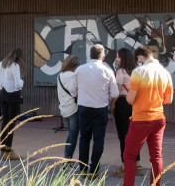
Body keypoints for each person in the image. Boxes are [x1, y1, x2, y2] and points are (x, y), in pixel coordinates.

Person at [122, 46, 173, 186]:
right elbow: (168, 100)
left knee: (129, 156)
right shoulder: (165, 73)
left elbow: (130, 100)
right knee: (156, 157)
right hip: (158, 119)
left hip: (140, 119)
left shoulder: (138, 72)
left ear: (139, 57)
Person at [69, 44, 119, 178]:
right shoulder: (108, 71)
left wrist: (81, 94)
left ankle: (83, 169)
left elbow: (71, 89)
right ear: (103, 57)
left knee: (84, 138)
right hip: (100, 109)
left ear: (89, 55)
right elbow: (115, 93)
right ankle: (94, 170)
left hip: (84, 107)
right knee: (99, 140)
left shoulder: (80, 69)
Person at [111, 48, 142, 177]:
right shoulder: (137, 70)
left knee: (123, 136)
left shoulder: (120, 71)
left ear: (123, 58)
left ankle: (124, 167)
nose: (116, 59)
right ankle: (138, 165)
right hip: (136, 104)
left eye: (118, 57)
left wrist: (111, 104)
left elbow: (117, 92)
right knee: (135, 136)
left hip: (123, 104)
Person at [0, 48, 25, 160]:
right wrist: (22, 81)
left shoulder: (0, 64)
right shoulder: (15, 66)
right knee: (11, 123)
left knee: (5, 121)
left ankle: (3, 150)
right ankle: (8, 150)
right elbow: (18, 84)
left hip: (3, 93)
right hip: (13, 94)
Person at [56, 55, 81, 164]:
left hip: (64, 109)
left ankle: (66, 159)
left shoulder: (59, 75)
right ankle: (68, 162)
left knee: (70, 135)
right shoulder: (73, 75)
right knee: (73, 137)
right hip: (73, 108)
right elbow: (75, 91)